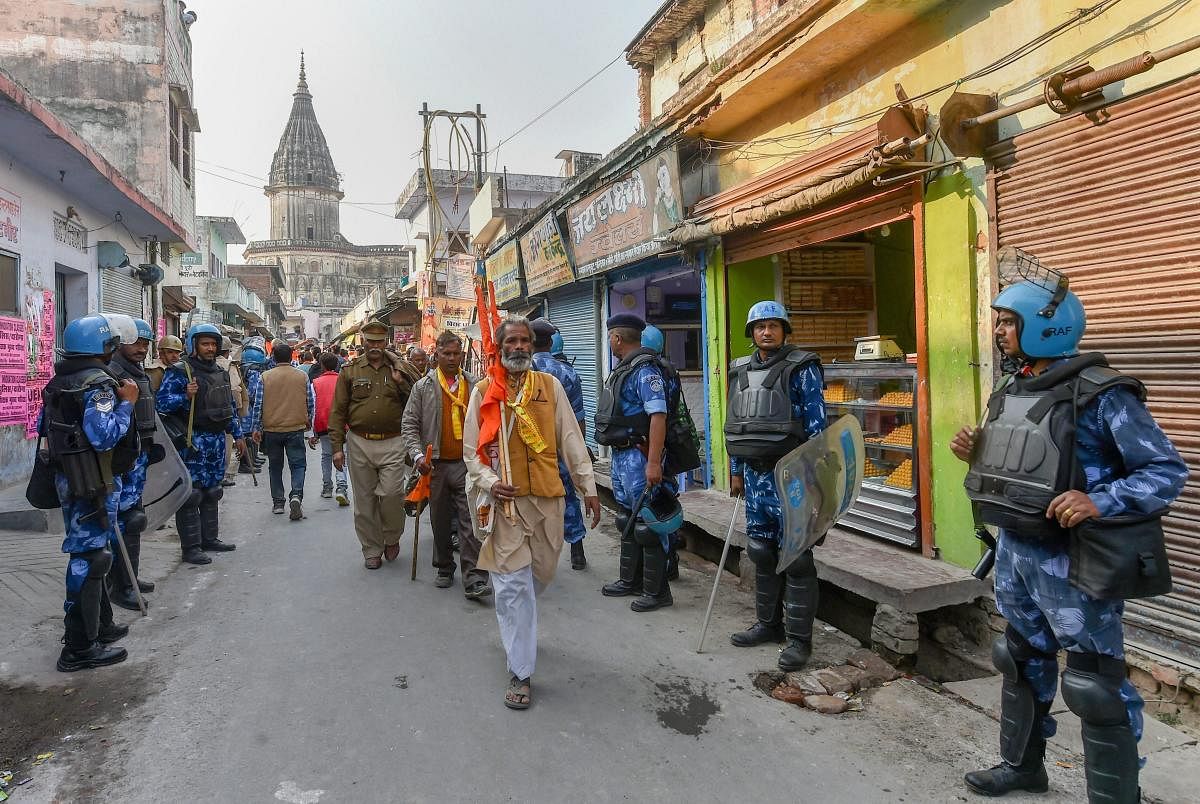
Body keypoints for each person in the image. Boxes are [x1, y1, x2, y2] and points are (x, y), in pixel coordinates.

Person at [949, 272, 1187, 801]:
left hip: (1076, 562)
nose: (1000, 332)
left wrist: (1099, 501)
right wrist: (976, 448)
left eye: (1010, 322)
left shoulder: (1104, 393)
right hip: (1016, 552)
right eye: (999, 323)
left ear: (1047, 326)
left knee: (1094, 685)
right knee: (1018, 658)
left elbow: (1164, 471)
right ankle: (1023, 768)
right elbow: (1025, 457)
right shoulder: (1012, 387)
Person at [463, 316, 600, 709]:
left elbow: (572, 440)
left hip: (547, 500)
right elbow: (472, 452)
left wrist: (587, 487)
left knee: (538, 578)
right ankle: (521, 673)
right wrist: (489, 482)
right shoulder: (485, 392)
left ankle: (513, 627)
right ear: (501, 347)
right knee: (513, 587)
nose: (520, 347)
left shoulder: (550, 387)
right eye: (513, 341)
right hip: (505, 503)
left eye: (525, 341)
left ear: (532, 346)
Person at [722, 301, 826, 671]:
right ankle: (769, 625)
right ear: (752, 332)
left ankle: (800, 641)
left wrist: (816, 482)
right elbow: (736, 425)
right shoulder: (740, 370)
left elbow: (817, 428)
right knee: (761, 552)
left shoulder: (802, 367)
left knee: (797, 558)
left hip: (793, 477)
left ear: (785, 330)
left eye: (773, 326)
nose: (766, 332)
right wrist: (735, 471)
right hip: (754, 477)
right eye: (760, 326)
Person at [35, 314, 139, 671]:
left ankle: (102, 627)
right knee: (90, 558)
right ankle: (79, 647)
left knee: (98, 552)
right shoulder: (97, 385)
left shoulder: (58, 382)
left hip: (72, 479)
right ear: (104, 348)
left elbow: (42, 427)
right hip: (93, 483)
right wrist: (127, 403)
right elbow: (105, 435)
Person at [596, 313, 679, 612]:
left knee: (648, 523)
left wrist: (653, 463)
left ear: (617, 338)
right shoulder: (624, 369)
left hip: (639, 454)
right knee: (627, 519)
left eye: (610, 336)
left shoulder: (645, 370)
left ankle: (658, 591)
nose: (609, 341)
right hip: (621, 455)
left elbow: (658, 417)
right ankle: (631, 580)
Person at [401, 331, 490, 598]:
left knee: (471, 521)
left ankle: (474, 577)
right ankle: (443, 567)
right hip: (435, 466)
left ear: (462, 355)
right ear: (436, 354)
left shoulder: (475, 386)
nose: (451, 358)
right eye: (446, 354)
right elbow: (409, 424)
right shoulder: (423, 387)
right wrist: (418, 457)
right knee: (439, 520)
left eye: (455, 354)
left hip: (467, 465)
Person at [328, 321, 421, 570]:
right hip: (359, 442)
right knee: (365, 501)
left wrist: (401, 381)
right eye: (371, 341)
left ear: (386, 342)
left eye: (380, 342)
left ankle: (391, 537)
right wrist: (337, 447)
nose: (375, 346)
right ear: (363, 341)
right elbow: (337, 411)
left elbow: (417, 400)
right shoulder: (350, 371)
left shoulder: (401, 368)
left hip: (393, 442)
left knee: (392, 494)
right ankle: (371, 549)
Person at [157, 323, 246, 564]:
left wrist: (238, 436)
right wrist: (184, 395)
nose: (210, 348)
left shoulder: (220, 371)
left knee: (213, 492)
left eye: (213, 344)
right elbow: (161, 405)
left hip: (216, 441)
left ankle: (210, 539)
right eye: (205, 344)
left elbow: (228, 407)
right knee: (192, 494)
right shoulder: (179, 371)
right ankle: (191, 548)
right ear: (193, 345)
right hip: (192, 441)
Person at [105, 316, 159, 611]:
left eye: (145, 343)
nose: (142, 348)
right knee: (125, 522)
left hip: (138, 457)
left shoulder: (137, 373)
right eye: (136, 342)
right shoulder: (114, 374)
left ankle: (130, 578)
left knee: (133, 520)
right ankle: (121, 586)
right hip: (121, 461)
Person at [529, 319, 589, 571]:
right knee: (567, 496)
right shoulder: (567, 372)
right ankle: (577, 549)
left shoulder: (519, 370)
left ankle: (534, 554)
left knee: (529, 498)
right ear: (551, 343)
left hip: (528, 448)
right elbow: (578, 419)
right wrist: (580, 453)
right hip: (559, 446)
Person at [257, 343, 315, 520]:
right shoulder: (302, 376)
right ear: (292, 357)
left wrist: (255, 428)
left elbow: (258, 405)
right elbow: (310, 402)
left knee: (275, 467)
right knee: (298, 465)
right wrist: (309, 422)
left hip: (272, 429)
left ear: (273, 357)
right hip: (295, 428)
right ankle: (296, 495)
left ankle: (278, 503)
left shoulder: (264, 377)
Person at [310, 352, 349, 505]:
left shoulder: (315, 383)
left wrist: (313, 433)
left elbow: (313, 408)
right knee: (342, 454)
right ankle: (342, 487)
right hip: (342, 425)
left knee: (326, 455)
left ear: (322, 366)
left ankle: (327, 487)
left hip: (323, 423)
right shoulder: (343, 381)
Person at [218, 336, 248, 488]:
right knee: (226, 446)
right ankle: (221, 476)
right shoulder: (229, 366)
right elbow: (235, 391)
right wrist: (238, 411)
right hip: (226, 414)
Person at [238, 343, 267, 475]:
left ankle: (252, 459)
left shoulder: (243, 367)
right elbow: (253, 392)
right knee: (249, 435)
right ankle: (246, 463)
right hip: (249, 407)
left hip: (245, 405)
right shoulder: (254, 370)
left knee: (247, 435)